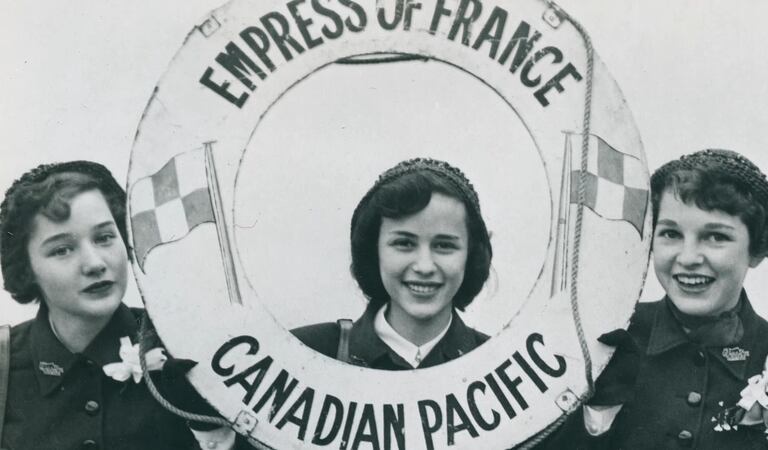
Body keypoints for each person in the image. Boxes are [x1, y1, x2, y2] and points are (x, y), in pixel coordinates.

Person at [0, 161, 240, 450]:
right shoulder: (6, 364)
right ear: (25, 269)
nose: (95, 263)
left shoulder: (189, 349)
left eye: (104, 238)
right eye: (62, 249)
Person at [584, 149, 768, 448]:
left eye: (716, 237)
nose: (688, 258)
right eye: (670, 233)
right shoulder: (602, 346)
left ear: (759, 248)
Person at [293, 157, 493, 370]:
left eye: (444, 245)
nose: (424, 267)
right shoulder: (304, 352)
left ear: (471, 255)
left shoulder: (496, 361)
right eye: (404, 243)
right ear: (373, 250)